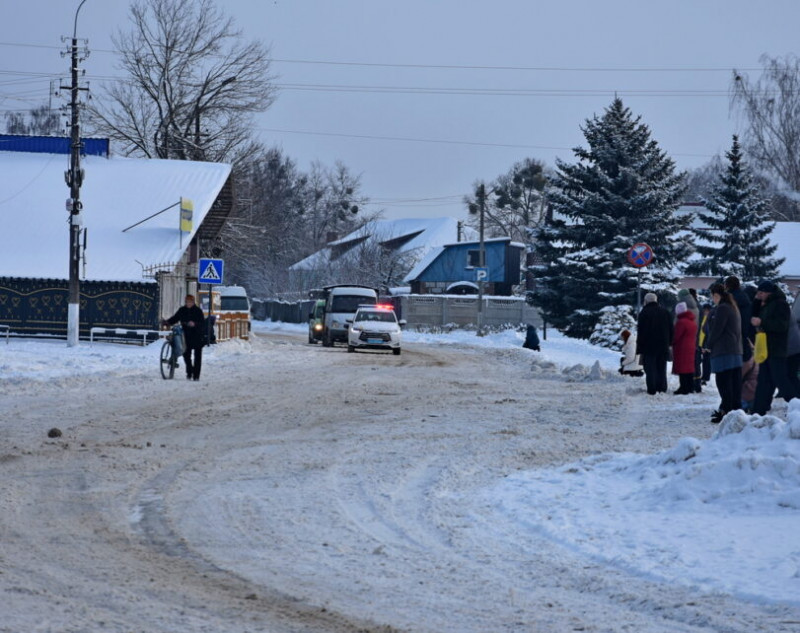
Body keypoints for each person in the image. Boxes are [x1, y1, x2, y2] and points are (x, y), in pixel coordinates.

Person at [750, 280, 794, 415]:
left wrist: (763, 322)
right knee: (764, 380)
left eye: (761, 293)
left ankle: (795, 404)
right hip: (766, 348)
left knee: (780, 380)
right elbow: (754, 314)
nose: (759, 295)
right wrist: (757, 301)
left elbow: (782, 326)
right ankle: (758, 410)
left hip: (777, 348)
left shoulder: (780, 304)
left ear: (769, 292)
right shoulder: (766, 304)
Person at [704, 283, 743, 423]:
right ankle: (735, 411)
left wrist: (708, 345)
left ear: (717, 295)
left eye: (713, 296)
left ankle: (727, 411)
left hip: (724, 350)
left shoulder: (722, 309)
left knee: (724, 382)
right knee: (734, 383)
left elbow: (717, 329)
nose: (713, 299)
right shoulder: (733, 307)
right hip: (735, 350)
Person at [636, 293, 673, 395]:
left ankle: (652, 389)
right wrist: (670, 343)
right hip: (663, 345)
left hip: (649, 347)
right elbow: (671, 329)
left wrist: (640, 347)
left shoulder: (644, 313)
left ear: (646, 301)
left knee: (650, 368)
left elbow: (641, 332)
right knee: (661, 367)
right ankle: (662, 388)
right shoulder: (665, 312)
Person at [163, 294, 206, 381]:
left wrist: (194, 324)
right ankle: (189, 372)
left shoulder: (198, 311)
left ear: (193, 302)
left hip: (197, 335)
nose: (188, 303)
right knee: (186, 355)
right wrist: (167, 322)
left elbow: (202, 324)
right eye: (187, 302)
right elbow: (175, 318)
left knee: (198, 357)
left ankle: (196, 375)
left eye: (190, 302)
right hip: (186, 336)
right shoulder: (182, 310)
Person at [672, 302, 698, 394]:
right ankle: (690, 387)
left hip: (682, 348)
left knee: (682, 369)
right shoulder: (692, 322)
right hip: (691, 347)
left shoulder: (681, 322)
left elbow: (676, 337)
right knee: (689, 368)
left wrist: (671, 342)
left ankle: (683, 388)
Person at [698, 302, 712, 384]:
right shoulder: (703, 318)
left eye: (706, 310)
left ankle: (705, 378)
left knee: (706, 362)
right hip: (701, 342)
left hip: (705, 343)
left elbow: (707, 333)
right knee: (704, 361)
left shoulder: (708, 319)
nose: (704, 312)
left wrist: (705, 346)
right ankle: (703, 377)